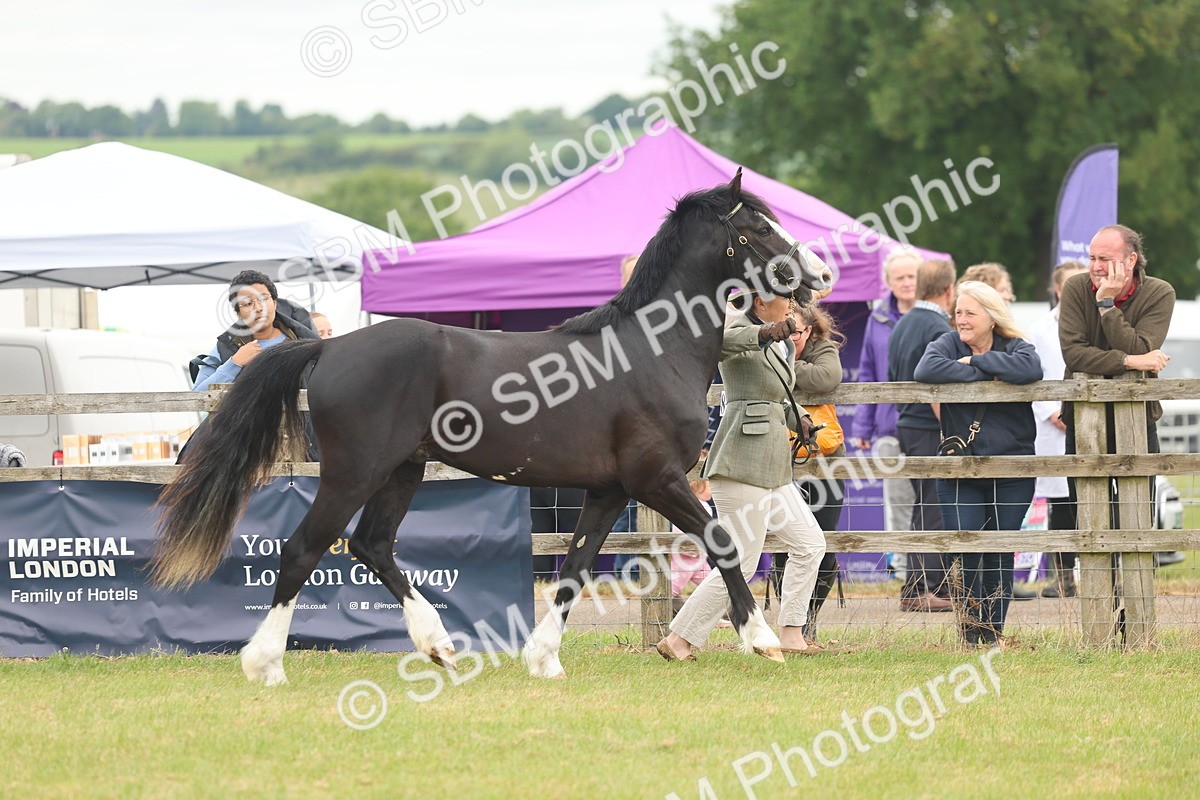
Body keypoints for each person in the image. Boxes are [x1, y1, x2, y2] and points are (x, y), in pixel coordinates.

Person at [657, 290, 827, 660]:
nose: (791, 305)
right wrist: (764, 332)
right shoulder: (738, 328)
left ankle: (792, 633)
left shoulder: (783, 344)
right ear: (760, 303)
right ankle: (679, 639)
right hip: (741, 460)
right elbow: (721, 342)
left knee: (810, 543)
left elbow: (777, 397)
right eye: (783, 298)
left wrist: (800, 418)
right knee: (741, 563)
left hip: (774, 467)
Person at [915, 281, 1041, 645]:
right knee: (965, 549)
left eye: (970, 313)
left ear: (992, 316)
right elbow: (926, 369)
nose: (962, 319)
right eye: (958, 312)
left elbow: (1031, 368)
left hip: (1012, 469)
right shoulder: (947, 343)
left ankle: (992, 632)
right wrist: (989, 374)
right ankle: (970, 633)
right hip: (959, 468)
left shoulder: (1016, 345)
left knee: (999, 551)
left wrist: (975, 362)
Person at [1059, 225, 1174, 622]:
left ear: (1130, 260)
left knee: (1137, 513)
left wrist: (1107, 307)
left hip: (1137, 420)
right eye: (1091, 257)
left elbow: (1142, 345)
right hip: (1083, 420)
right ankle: (1100, 611)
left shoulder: (1158, 293)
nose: (1094, 266)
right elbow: (1074, 354)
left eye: (1104, 259)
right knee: (1089, 514)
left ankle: (1138, 611)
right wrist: (1129, 362)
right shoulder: (1075, 288)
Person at [771, 300, 847, 643]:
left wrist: (783, 366)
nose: (789, 338)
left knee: (824, 544)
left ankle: (809, 617)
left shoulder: (823, 349)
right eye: (783, 330)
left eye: (796, 332)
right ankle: (791, 620)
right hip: (780, 461)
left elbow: (826, 378)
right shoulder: (765, 342)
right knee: (784, 544)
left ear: (810, 330)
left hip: (825, 463)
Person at [190, 270, 320, 460]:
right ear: (238, 312)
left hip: (302, 450)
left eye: (264, 299)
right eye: (247, 303)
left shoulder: (306, 345)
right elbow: (197, 397)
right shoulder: (226, 348)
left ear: (274, 303)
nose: (258, 308)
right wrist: (234, 363)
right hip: (245, 452)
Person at [888, 259, 957, 612]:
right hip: (930, 425)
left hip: (907, 423)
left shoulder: (903, 323)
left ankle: (926, 585)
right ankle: (922, 588)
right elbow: (935, 385)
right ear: (949, 289)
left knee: (924, 505)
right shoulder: (938, 327)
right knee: (934, 506)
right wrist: (953, 428)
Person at [849, 247, 920, 579]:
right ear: (889, 282)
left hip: (930, 425)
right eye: (900, 277)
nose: (907, 283)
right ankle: (905, 572)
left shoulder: (933, 316)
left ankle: (934, 570)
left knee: (933, 501)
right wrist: (863, 426)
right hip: (889, 426)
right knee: (899, 500)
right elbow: (867, 375)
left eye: (912, 276)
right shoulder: (877, 320)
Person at [1030, 260, 1088, 598]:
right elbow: (1035, 376)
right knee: (1062, 503)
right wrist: (1053, 411)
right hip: (1055, 425)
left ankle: (1101, 574)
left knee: (1095, 498)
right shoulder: (1040, 329)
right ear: (1057, 289)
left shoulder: (1096, 321)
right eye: (1069, 284)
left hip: (1092, 424)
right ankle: (1063, 577)